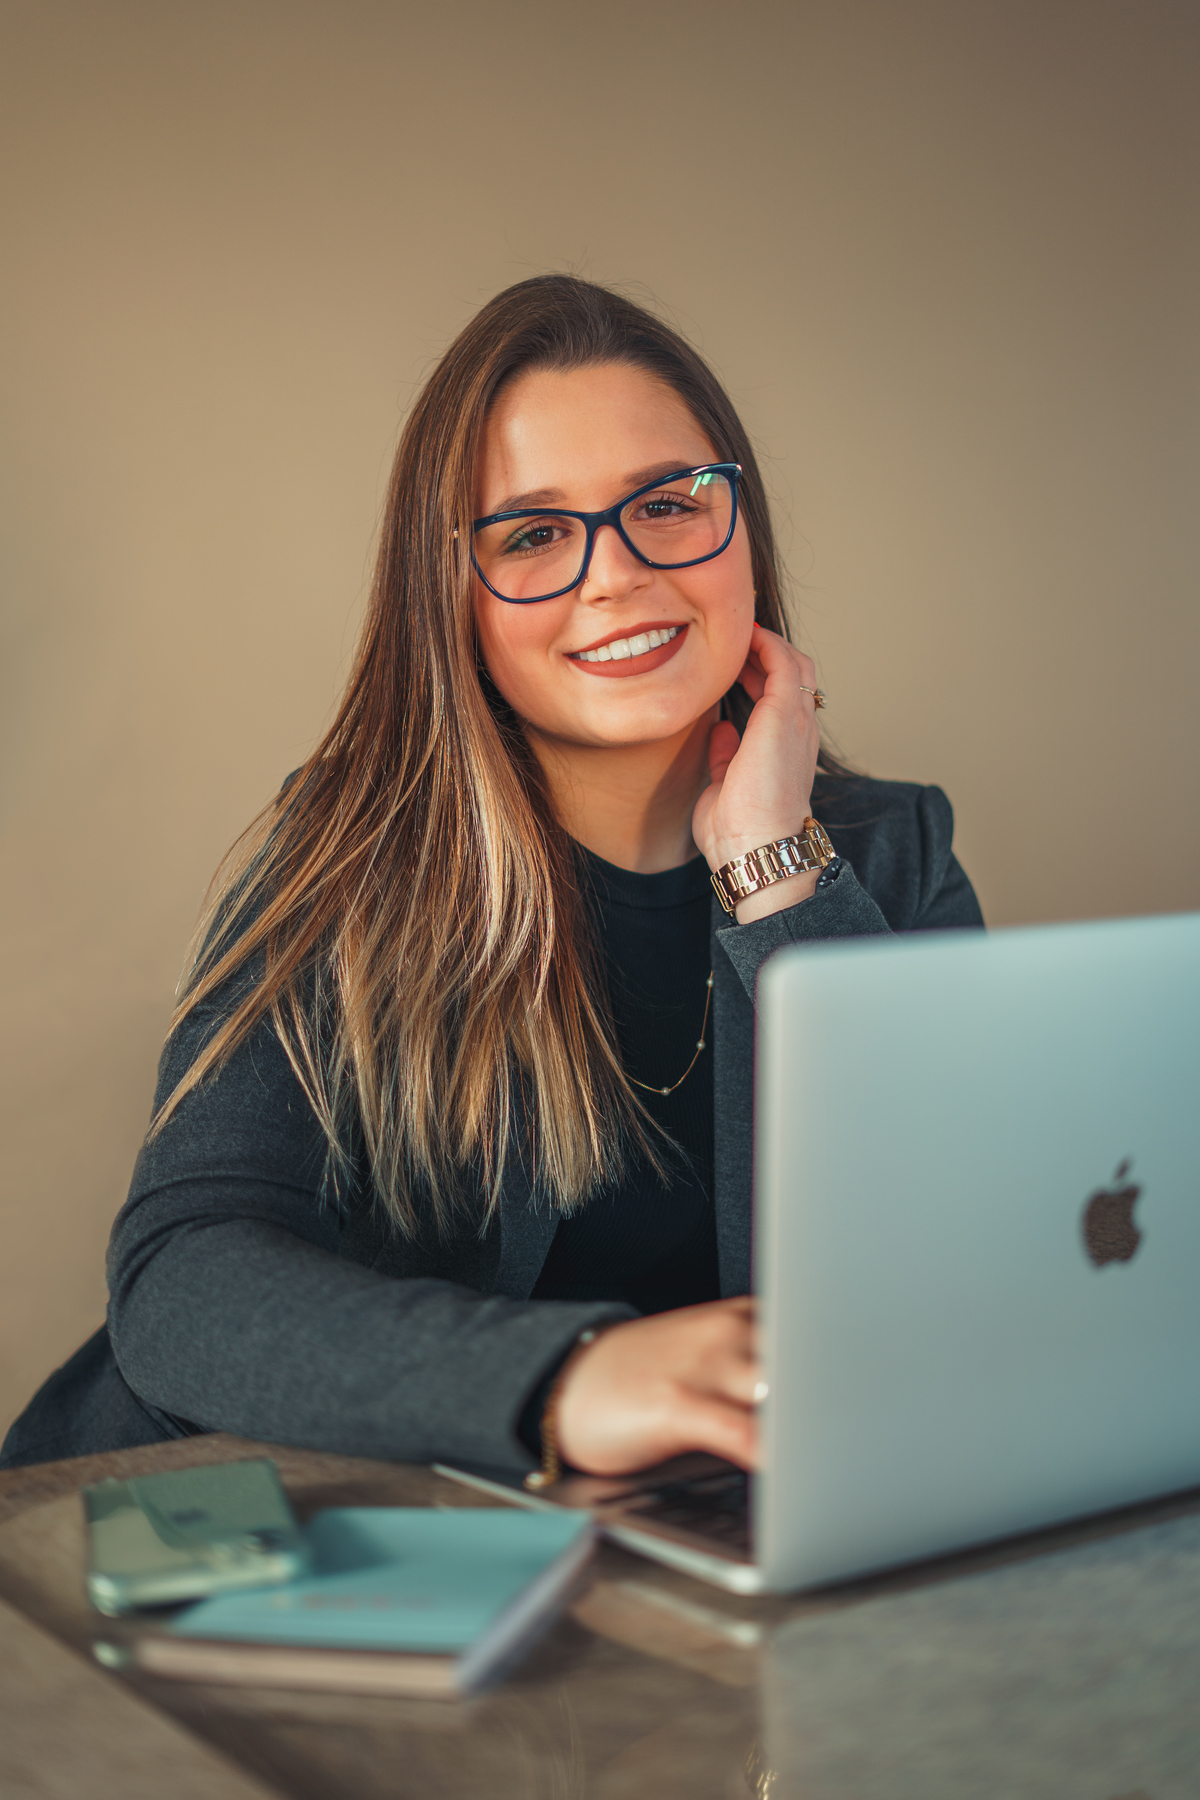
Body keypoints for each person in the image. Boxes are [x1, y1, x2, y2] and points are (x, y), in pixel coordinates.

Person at [1, 276, 983, 1475]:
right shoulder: (350, 859)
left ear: (742, 528)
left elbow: (957, 1261)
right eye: (533, 534)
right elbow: (182, 1276)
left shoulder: (891, 855)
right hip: (281, 1526)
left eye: (667, 504)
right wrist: (567, 1378)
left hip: (700, 1528)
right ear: (452, 598)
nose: (614, 575)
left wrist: (780, 877)